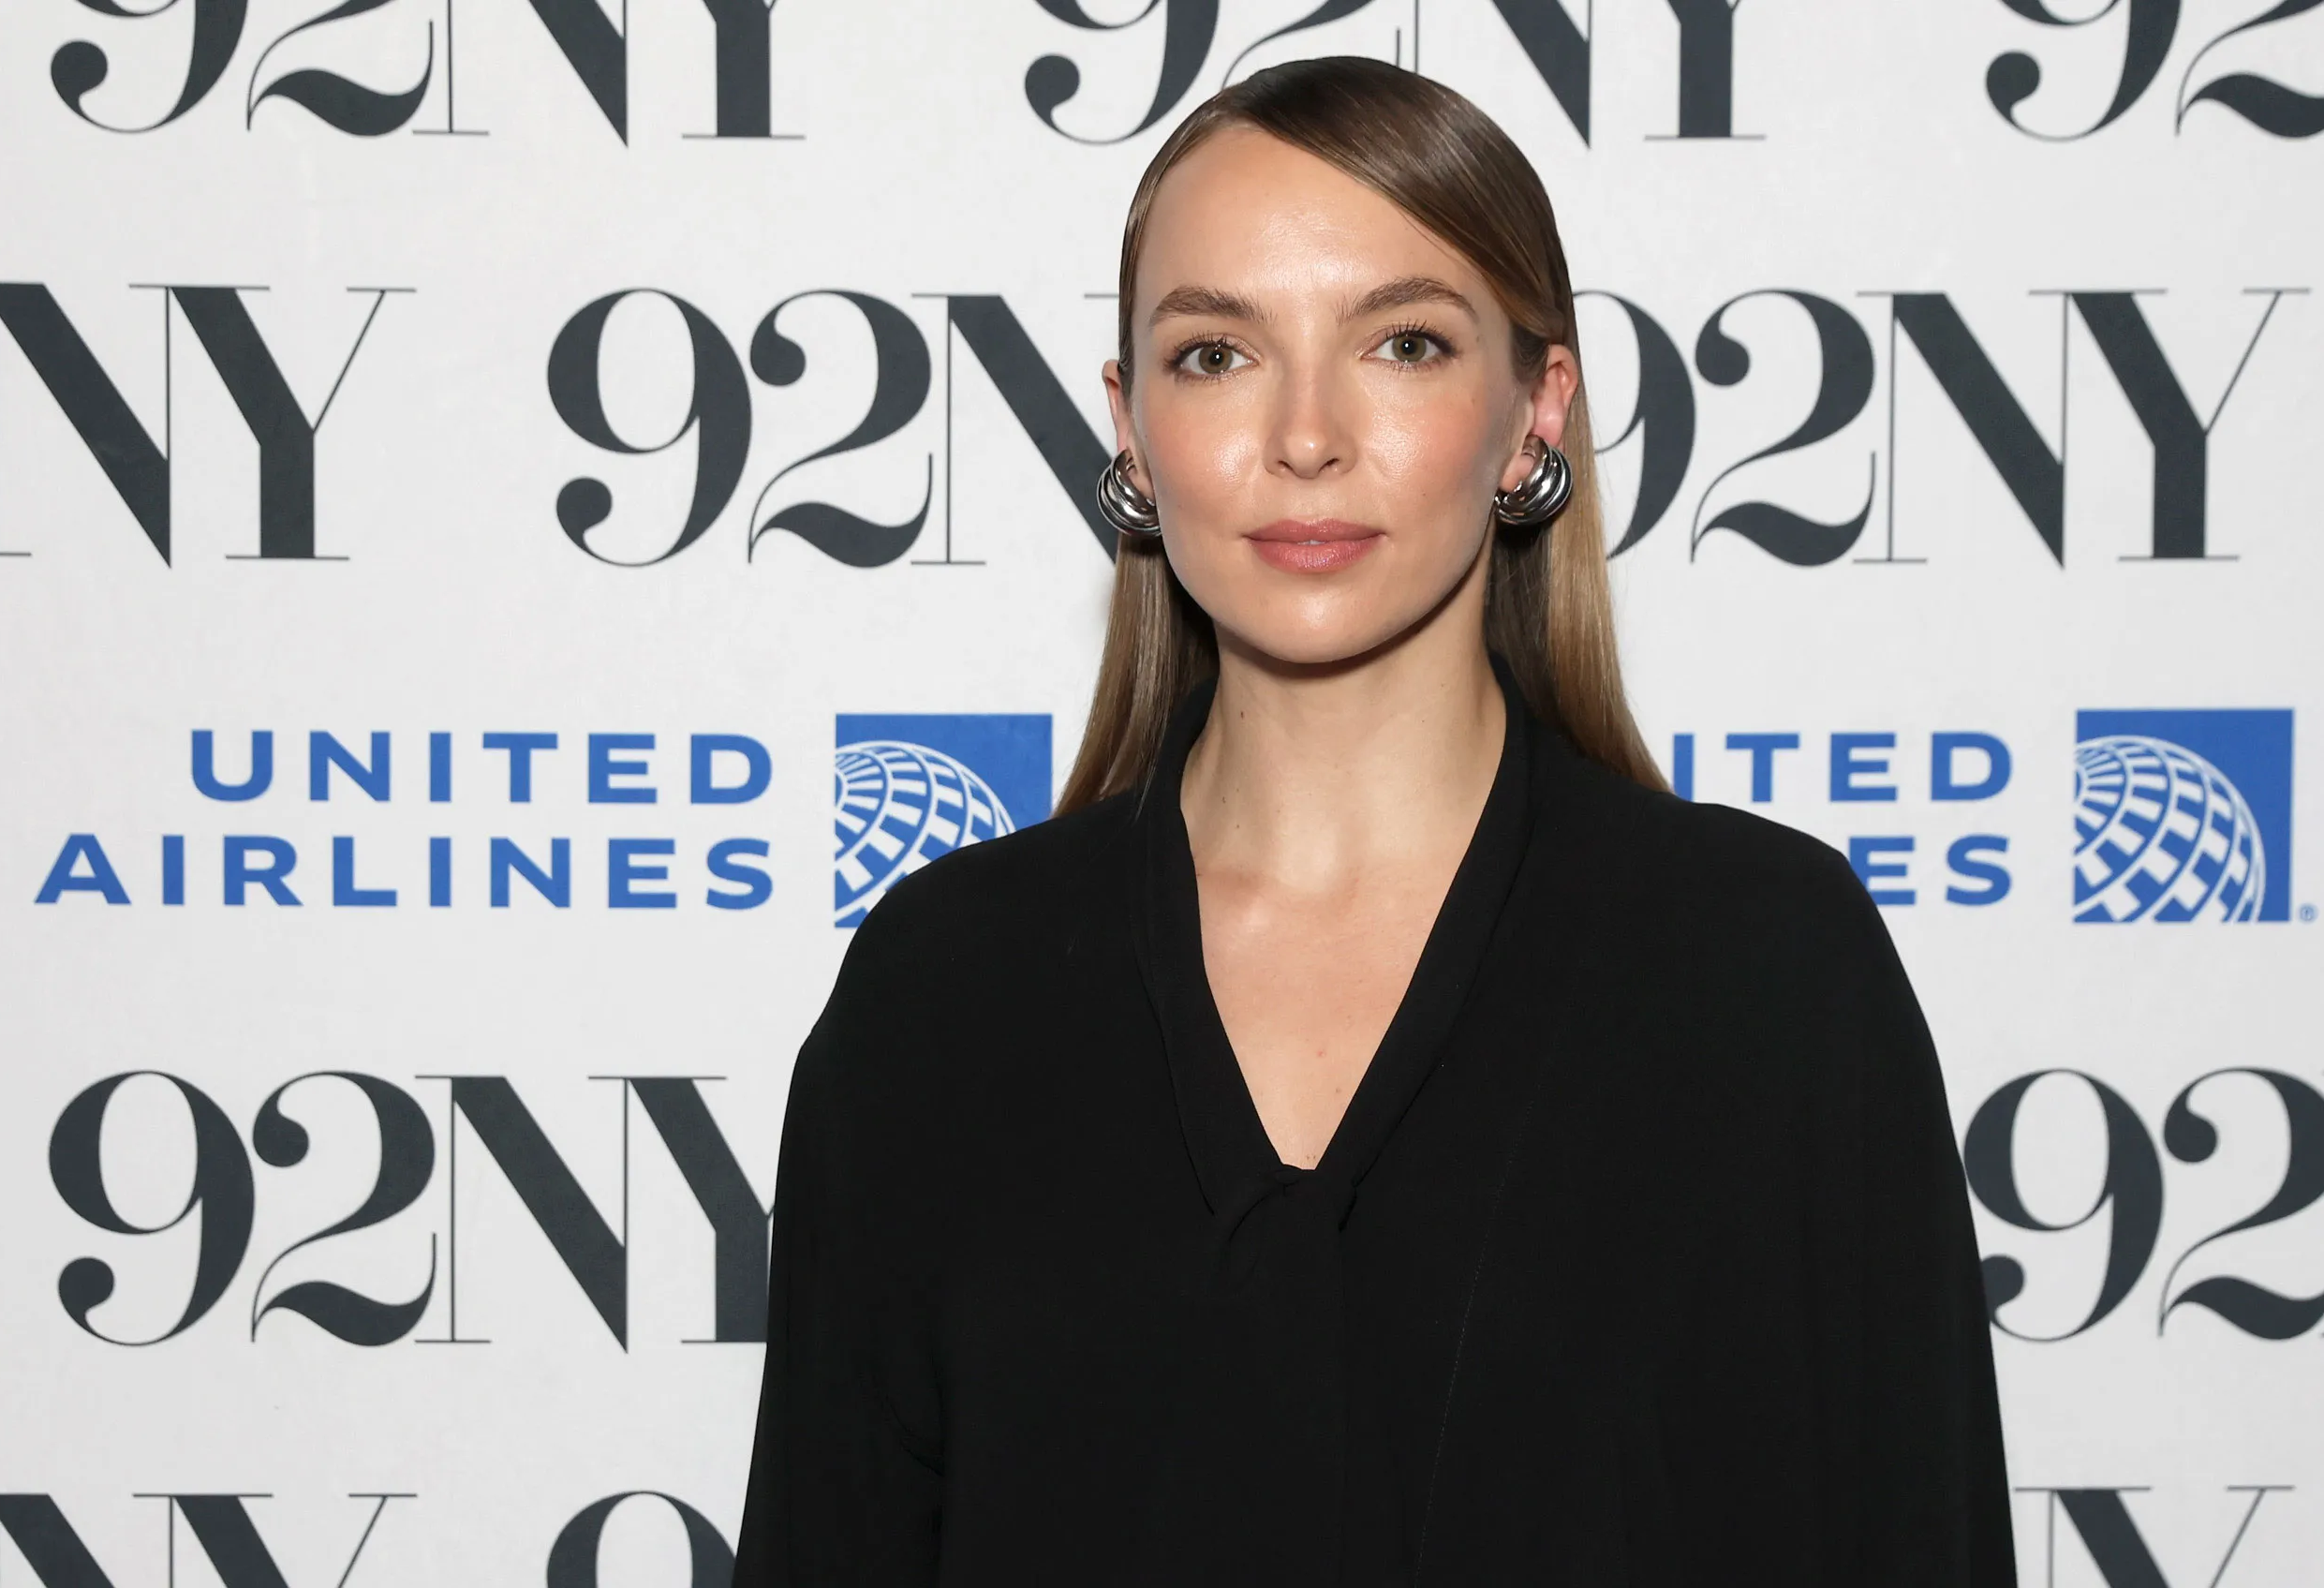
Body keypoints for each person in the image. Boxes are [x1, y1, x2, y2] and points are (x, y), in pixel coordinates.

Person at [732, 55, 2014, 1586]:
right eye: (1217, 354)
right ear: (1130, 428)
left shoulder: (1767, 975)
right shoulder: (944, 994)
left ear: (1539, 410)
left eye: (1403, 342)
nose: (1308, 434)